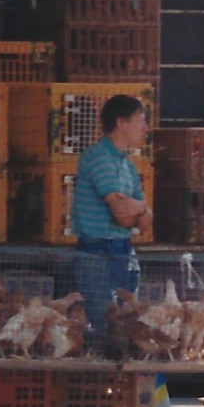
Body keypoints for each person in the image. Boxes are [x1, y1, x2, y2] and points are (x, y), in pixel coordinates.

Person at [72, 94, 151, 299]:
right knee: (105, 320)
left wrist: (139, 208)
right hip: (99, 252)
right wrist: (138, 210)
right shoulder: (98, 158)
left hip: (123, 248)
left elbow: (145, 223)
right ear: (121, 123)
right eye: (141, 120)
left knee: (125, 319)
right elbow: (122, 216)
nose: (145, 128)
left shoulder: (128, 165)